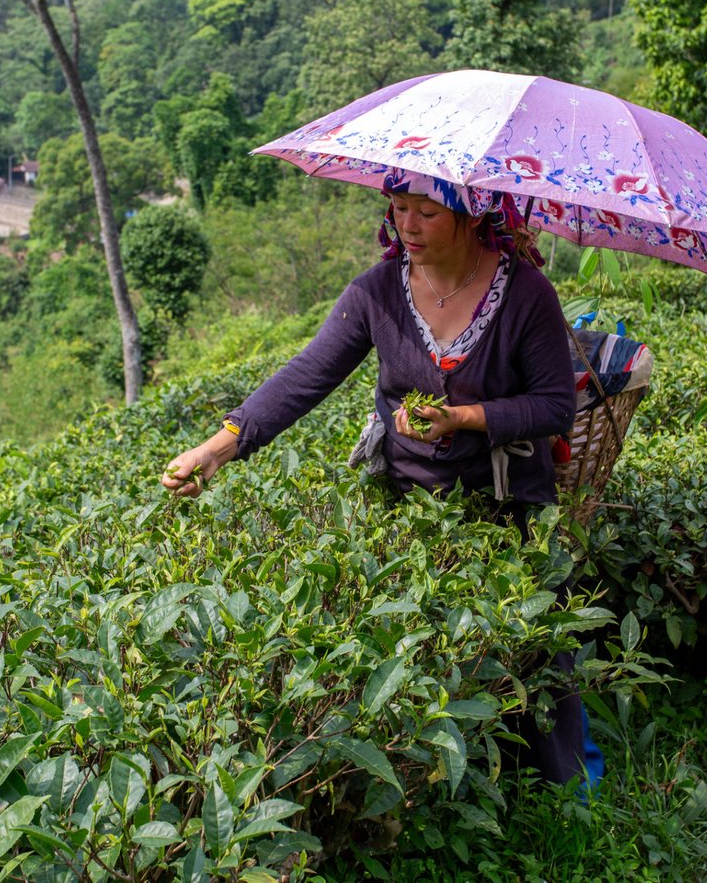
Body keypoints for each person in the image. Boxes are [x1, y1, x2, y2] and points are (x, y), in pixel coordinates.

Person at [162, 168, 606, 795]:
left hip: (508, 500)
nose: (408, 225)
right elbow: (308, 374)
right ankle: (436, 790)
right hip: (409, 498)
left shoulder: (527, 293)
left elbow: (555, 405)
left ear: (470, 212)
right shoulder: (377, 291)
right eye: (399, 208)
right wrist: (219, 447)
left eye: (426, 210)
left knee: (536, 650)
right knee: (418, 649)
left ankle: (567, 795)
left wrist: (463, 418)